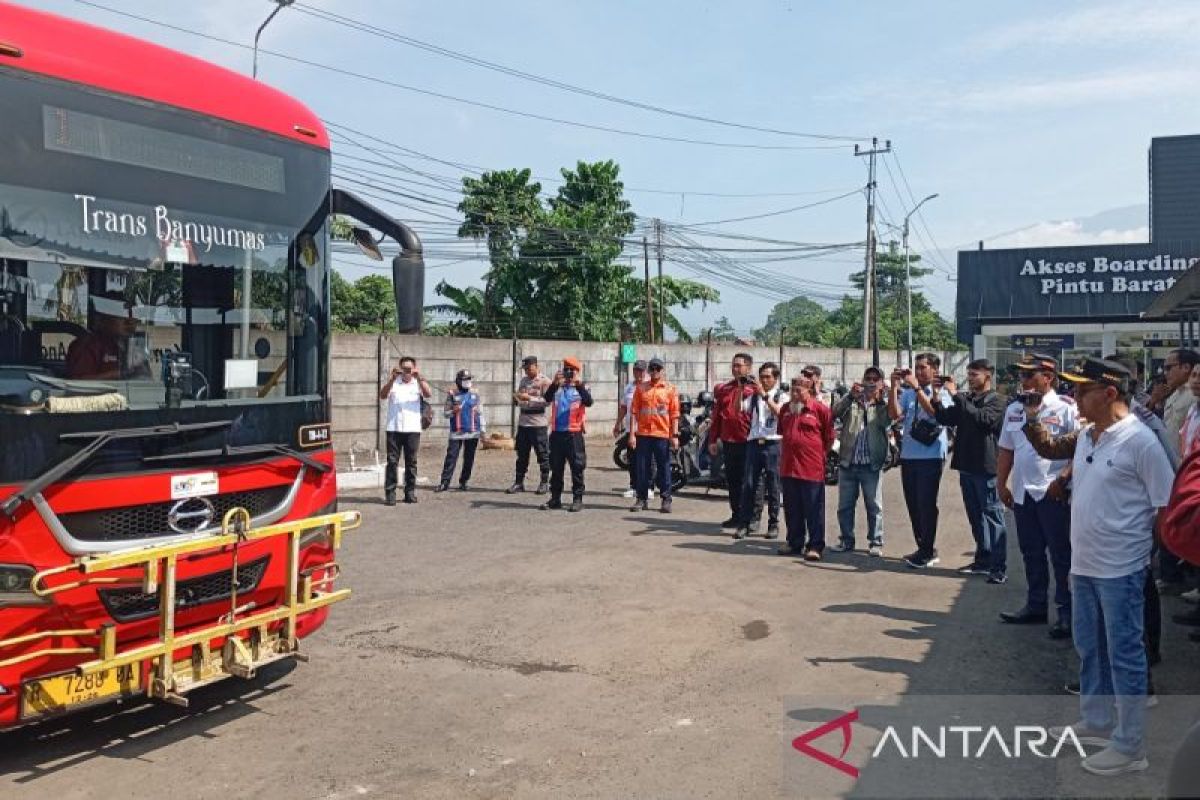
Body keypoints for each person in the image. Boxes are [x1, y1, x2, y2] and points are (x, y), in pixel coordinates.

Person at [1051, 357, 1175, 777]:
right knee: (1090, 647)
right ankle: (1098, 720)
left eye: (1081, 390)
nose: (1074, 397)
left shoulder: (1141, 442)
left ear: (1109, 394)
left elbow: (1164, 507)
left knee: (1125, 655)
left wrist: (1141, 556)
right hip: (1085, 564)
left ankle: (1130, 744)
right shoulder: (1089, 436)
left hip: (1121, 569)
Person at [997, 353, 1079, 638]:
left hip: (1053, 492)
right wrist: (1001, 483)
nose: (1024, 380)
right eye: (1021, 375)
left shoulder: (1066, 408)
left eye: (1029, 375)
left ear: (1048, 377)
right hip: (1023, 492)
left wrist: (1064, 477)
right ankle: (1036, 605)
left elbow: (1080, 448)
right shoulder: (1014, 409)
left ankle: (1067, 612)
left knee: (1061, 555)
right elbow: (1006, 449)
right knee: (1030, 552)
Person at [933, 359, 1008, 583]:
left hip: (986, 467)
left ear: (988, 376)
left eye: (975, 374)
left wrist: (957, 395)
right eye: (969, 374)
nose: (970, 378)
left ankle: (998, 566)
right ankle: (983, 560)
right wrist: (937, 398)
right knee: (976, 517)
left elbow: (984, 420)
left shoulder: (998, 400)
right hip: (966, 466)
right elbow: (946, 418)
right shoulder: (968, 399)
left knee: (992, 515)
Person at [888, 353, 954, 569]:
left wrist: (917, 388)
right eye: (916, 368)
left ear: (935, 369)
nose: (918, 371)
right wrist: (894, 387)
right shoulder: (908, 393)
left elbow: (936, 414)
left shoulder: (942, 392)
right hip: (909, 455)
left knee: (926, 503)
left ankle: (928, 549)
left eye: (923, 367)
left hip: (931, 455)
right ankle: (923, 547)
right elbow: (895, 414)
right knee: (913, 504)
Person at [1151, 349, 1199, 593]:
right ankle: (1174, 575)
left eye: (1170, 367)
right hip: (1173, 469)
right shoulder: (1178, 397)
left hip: (1187, 474)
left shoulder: (1191, 399)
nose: (1165, 372)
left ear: (1185, 367)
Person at [829, 366, 890, 556]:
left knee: (874, 506)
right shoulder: (853, 401)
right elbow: (833, 414)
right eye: (868, 378)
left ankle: (876, 542)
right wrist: (849, 396)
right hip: (848, 462)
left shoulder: (883, 404)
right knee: (845, 506)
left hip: (871, 465)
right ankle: (846, 540)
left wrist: (885, 397)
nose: (870, 382)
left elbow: (891, 419)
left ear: (881, 383)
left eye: (875, 379)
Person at [777, 371, 834, 561]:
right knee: (792, 508)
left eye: (799, 391)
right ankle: (794, 542)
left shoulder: (820, 410)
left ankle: (815, 546)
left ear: (808, 391)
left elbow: (829, 438)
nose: (794, 394)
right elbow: (782, 432)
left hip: (811, 468)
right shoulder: (786, 409)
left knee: (814, 509)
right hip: (789, 467)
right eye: (792, 390)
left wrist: (819, 455)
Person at [734, 362, 788, 540]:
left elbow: (780, 412)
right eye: (761, 377)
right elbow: (738, 409)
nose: (764, 380)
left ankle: (773, 523)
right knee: (749, 484)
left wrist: (764, 395)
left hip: (773, 443)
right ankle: (745, 523)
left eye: (767, 377)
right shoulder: (754, 396)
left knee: (773, 485)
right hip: (754, 442)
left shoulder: (782, 396)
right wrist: (741, 389)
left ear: (775, 378)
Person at [709, 353, 759, 529]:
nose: (735, 369)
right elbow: (717, 416)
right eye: (734, 365)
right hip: (729, 441)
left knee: (750, 481)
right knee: (733, 480)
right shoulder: (725, 389)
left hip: (749, 441)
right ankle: (736, 514)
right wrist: (712, 439)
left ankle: (752, 517)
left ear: (748, 368)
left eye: (739, 365)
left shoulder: (755, 389)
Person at [540, 357, 593, 513]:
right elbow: (546, 399)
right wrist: (555, 383)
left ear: (577, 372)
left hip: (573, 434)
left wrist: (578, 384)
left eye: (572, 370)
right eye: (566, 370)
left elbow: (588, 402)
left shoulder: (582, 387)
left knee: (577, 467)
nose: (568, 373)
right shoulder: (558, 387)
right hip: (557, 433)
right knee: (556, 467)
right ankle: (555, 498)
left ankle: (577, 499)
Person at [628, 357, 680, 514]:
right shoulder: (641, 388)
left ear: (663, 370)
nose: (655, 371)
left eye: (658, 368)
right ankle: (641, 499)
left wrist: (674, 435)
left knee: (664, 468)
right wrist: (632, 435)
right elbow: (634, 412)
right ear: (649, 371)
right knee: (642, 468)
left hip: (661, 434)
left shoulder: (670, 389)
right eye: (652, 368)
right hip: (643, 434)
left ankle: (666, 499)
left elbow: (674, 414)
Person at [379, 355, 432, 505]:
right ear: (400, 368)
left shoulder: (418, 383)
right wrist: (391, 380)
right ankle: (390, 494)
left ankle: (410, 492)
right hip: (394, 428)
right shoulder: (394, 382)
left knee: (411, 462)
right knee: (392, 462)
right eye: (404, 369)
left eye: (409, 369)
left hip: (412, 429)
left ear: (414, 369)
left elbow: (428, 394)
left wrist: (419, 377)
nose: (406, 372)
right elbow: (382, 395)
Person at [436, 369, 485, 493]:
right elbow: (446, 414)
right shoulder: (452, 394)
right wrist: (454, 410)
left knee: (469, 458)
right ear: (458, 381)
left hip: (473, 431)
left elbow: (480, 412)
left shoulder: (475, 394)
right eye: (465, 379)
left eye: (469, 379)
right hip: (457, 432)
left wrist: (483, 430)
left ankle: (464, 481)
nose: (468, 381)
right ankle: (444, 483)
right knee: (451, 457)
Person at [508, 355, 551, 495]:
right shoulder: (524, 381)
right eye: (525, 369)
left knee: (542, 454)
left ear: (537, 366)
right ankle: (519, 482)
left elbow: (547, 401)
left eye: (529, 368)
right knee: (522, 455)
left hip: (538, 423)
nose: (527, 371)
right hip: (523, 423)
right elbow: (521, 397)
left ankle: (544, 483)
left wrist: (530, 398)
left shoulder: (545, 381)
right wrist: (517, 399)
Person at [65, 309, 147, 380]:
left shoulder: (133, 345)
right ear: (103, 319)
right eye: (122, 316)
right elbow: (77, 383)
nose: (130, 322)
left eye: (133, 316)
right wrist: (117, 375)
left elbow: (146, 379)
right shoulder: (88, 346)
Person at [616, 360, 651, 498]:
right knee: (633, 459)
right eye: (636, 370)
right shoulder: (629, 387)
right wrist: (617, 423)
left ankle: (649, 487)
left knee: (647, 460)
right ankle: (634, 486)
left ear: (646, 372)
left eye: (641, 371)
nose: (638, 373)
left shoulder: (650, 386)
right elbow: (624, 407)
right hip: (631, 430)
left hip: (646, 430)